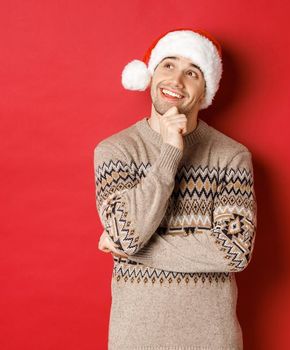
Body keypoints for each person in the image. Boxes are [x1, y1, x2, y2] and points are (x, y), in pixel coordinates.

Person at [93, 28, 257, 349]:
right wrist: (170, 152)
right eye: (168, 65)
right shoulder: (116, 151)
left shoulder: (231, 156)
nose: (177, 81)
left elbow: (234, 251)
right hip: (135, 340)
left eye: (191, 72)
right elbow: (128, 233)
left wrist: (134, 249)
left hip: (213, 341)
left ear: (205, 88)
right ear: (151, 75)